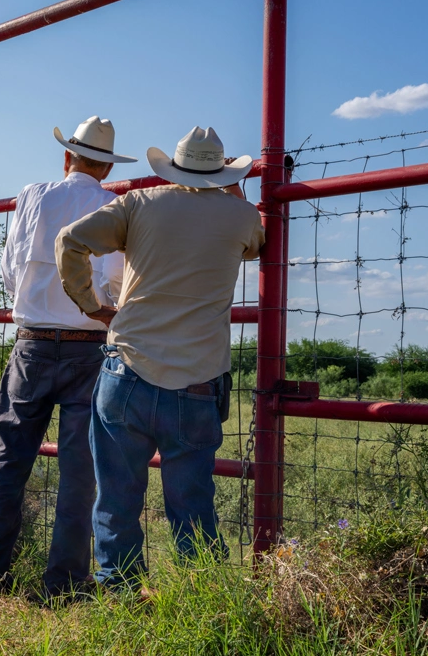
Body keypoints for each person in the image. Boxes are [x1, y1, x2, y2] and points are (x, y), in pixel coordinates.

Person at [55, 126, 264, 589]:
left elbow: (71, 240)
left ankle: (121, 593)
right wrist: (232, 192)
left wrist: (92, 306)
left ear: (173, 165)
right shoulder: (242, 216)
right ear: (223, 170)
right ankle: (201, 599)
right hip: (197, 381)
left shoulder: (138, 205)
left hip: (126, 369)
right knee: (192, 501)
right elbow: (256, 244)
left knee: (116, 496)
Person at [0, 116, 136, 599]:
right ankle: (63, 581)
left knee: (11, 459)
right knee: (79, 470)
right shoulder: (113, 206)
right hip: (88, 347)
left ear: (67, 157)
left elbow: (9, 265)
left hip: (31, 342)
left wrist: (32, 303)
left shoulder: (31, 196)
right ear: (106, 167)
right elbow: (112, 280)